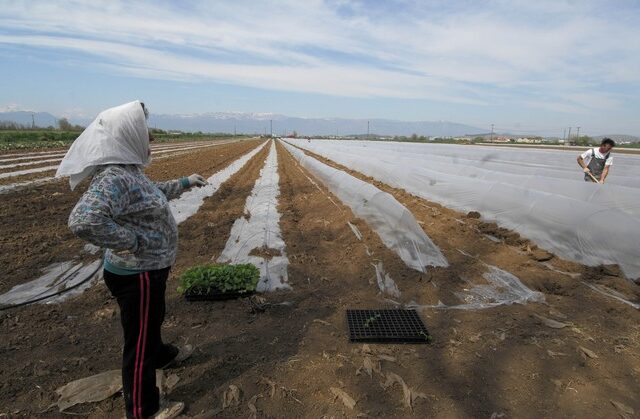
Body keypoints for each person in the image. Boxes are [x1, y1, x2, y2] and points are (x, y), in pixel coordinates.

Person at [57, 100, 206, 419]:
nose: (149, 138)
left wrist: (184, 182)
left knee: (153, 318)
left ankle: (162, 355)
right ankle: (143, 410)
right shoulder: (115, 177)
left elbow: (151, 193)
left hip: (148, 271)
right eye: (144, 131)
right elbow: (83, 220)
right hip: (137, 273)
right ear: (125, 137)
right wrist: (131, 240)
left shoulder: (128, 172)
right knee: (138, 342)